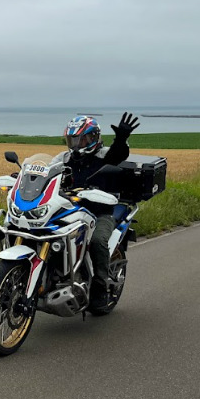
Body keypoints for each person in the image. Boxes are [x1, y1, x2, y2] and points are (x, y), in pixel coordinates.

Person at [58, 112, 140, 313]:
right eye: (72, 140)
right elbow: (47, 170)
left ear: (93, 138)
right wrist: (27, 176)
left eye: (81, 139)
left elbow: (118, 155)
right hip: (71, 210)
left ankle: (100, 288)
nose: (76, 145)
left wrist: (121, 138)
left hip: (100, 213)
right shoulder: (65, 159)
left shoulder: (103, 156)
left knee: (97, 241)